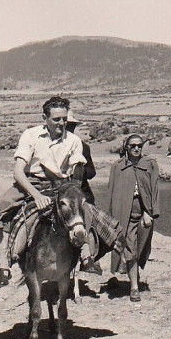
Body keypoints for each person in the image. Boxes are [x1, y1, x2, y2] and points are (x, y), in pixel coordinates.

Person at [0, 95, 87, 287]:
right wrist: (37, 195)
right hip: (29, 183)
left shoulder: (74, 140)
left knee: (85, 207)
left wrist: (74, 185)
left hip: (60, 184)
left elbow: (77, 168)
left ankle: (86, 253)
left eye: (64, 119)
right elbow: (18, 172)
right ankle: (4, 265)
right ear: (45, 118)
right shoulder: (30, 135)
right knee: (1, 204)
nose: (61, 123)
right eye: (56, 119)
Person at [108, 134, 161, 302]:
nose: (136, 148)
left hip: (144, 212)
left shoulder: (150, 165)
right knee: (130, 250)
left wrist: (150, 212)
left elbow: (154, 190)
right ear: (126, 147)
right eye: (132, 146)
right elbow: (112, 193)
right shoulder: (117, 167)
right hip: (125, 214)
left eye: (139, 145)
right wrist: (112, 218)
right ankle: (134, 288)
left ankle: (134, 274)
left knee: (142, 248)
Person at [65, 112, 102, 276]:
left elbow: (92, 172)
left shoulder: (83, 147)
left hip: (82, 193)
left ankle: (90, 257)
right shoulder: (52, 146)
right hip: (61, 191)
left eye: (72, 125)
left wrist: (79, 170)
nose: (69, 128)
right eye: (68, 125)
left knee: (92, 222)